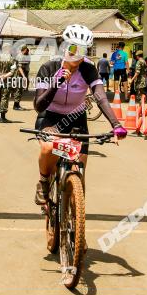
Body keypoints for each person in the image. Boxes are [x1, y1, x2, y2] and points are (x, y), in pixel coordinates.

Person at [32, 24, 128, 205]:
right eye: (73, 48)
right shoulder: (49, 67)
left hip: (76, 117)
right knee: (47, 148)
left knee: (80, 167)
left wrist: (116, 125)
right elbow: (38, 105)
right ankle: (44, 182)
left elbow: (100, 96)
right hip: (50, 116)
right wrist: (57, 82)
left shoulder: (88, 68)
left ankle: (75, 212)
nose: (77, 54)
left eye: (82, 50)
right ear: (65, 47)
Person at [0, 46, 17, 123]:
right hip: (6, 80)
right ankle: (3, 118)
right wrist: (4, 76)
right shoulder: (11, 59)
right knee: (4, 97)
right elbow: (12, 71)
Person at [14, 45, 31, 110]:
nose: (27, 51)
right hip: (19, 74)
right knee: (18, 89)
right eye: (26, 50)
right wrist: (23, 76)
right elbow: (19, 67)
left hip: (23, 74)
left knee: (20, 90)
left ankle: (17, 105)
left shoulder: (25, 56)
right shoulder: (20, 56)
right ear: (23, 50)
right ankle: (16, 106)